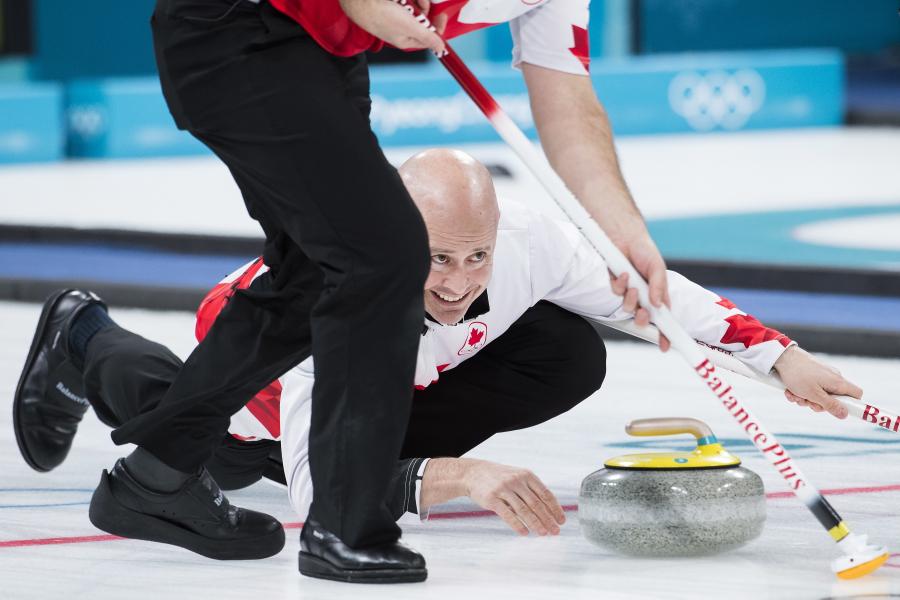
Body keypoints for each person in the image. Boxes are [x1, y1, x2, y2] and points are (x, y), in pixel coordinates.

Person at [15, 150, 861, 552]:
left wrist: (782, 359)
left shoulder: (536, 244)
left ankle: (386, 440)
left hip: (413, 366)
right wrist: (457, 474)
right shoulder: (335, 291)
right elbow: (320, 495)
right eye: (435, 260)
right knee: (223, 453)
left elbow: (656, 299)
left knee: (569, 351)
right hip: (265, 372)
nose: (458, 284)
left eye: (476, 256)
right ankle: (85, 337)